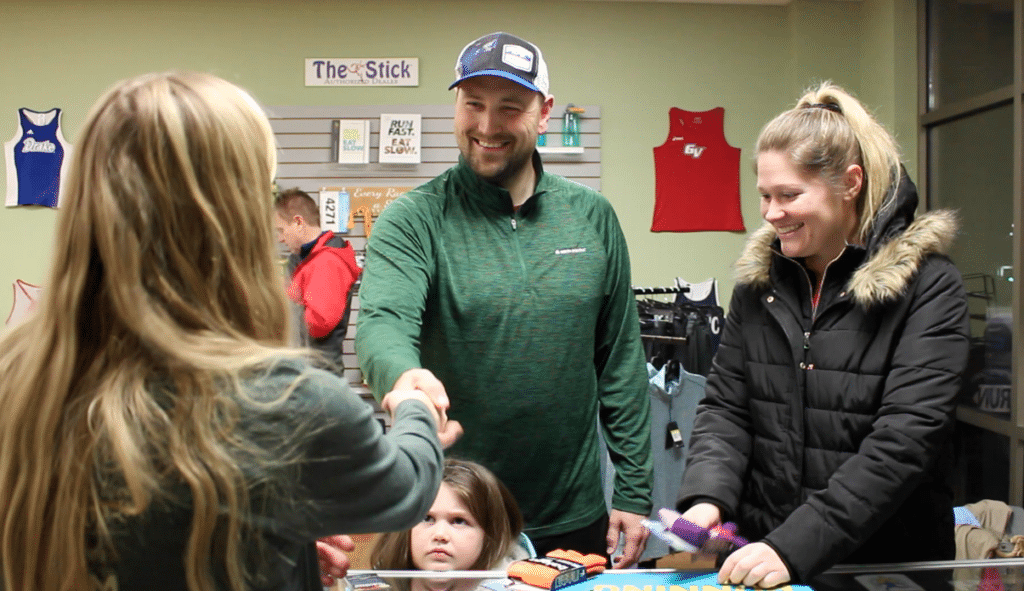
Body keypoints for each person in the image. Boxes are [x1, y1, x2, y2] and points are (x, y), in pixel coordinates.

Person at [0, 71, 458, 591]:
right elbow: (407, 485)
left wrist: (268, 531)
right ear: (231, 215)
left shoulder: (17, 379)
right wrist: (414, 404)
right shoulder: (286, 402)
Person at [354, 31, 652, 567]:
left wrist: (633, 488)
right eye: (473, 105)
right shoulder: (414, 219)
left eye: (509, 108)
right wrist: (403, 378)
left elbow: (620, 362)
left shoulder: (593, 217)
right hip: (450, 517)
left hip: (572, 514)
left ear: (545, 113)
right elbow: (382, 322)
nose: (487, 127)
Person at [676, 81, 970, 588]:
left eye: (789, 195)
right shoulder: (761, 283)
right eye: (765, 195)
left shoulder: (929, 286)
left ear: (850, 183)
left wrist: (793, 547)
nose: (770, 213)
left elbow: (902, 444)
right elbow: (727, 407)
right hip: (769, 560)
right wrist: (708, 498)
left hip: (883, 566)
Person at [371, 458, 532, 572]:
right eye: (427, 518)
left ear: (492, 534)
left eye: (459, 521)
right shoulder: (379, 582)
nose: (440, 535)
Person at [274, 187, 361, 371]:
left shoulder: (327, 262)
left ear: (298, 222)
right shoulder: (301, 259)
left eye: (281, 230)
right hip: (304, 370)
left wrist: (294, 300)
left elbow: (319, 324)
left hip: (319, 376)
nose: (280, 239)